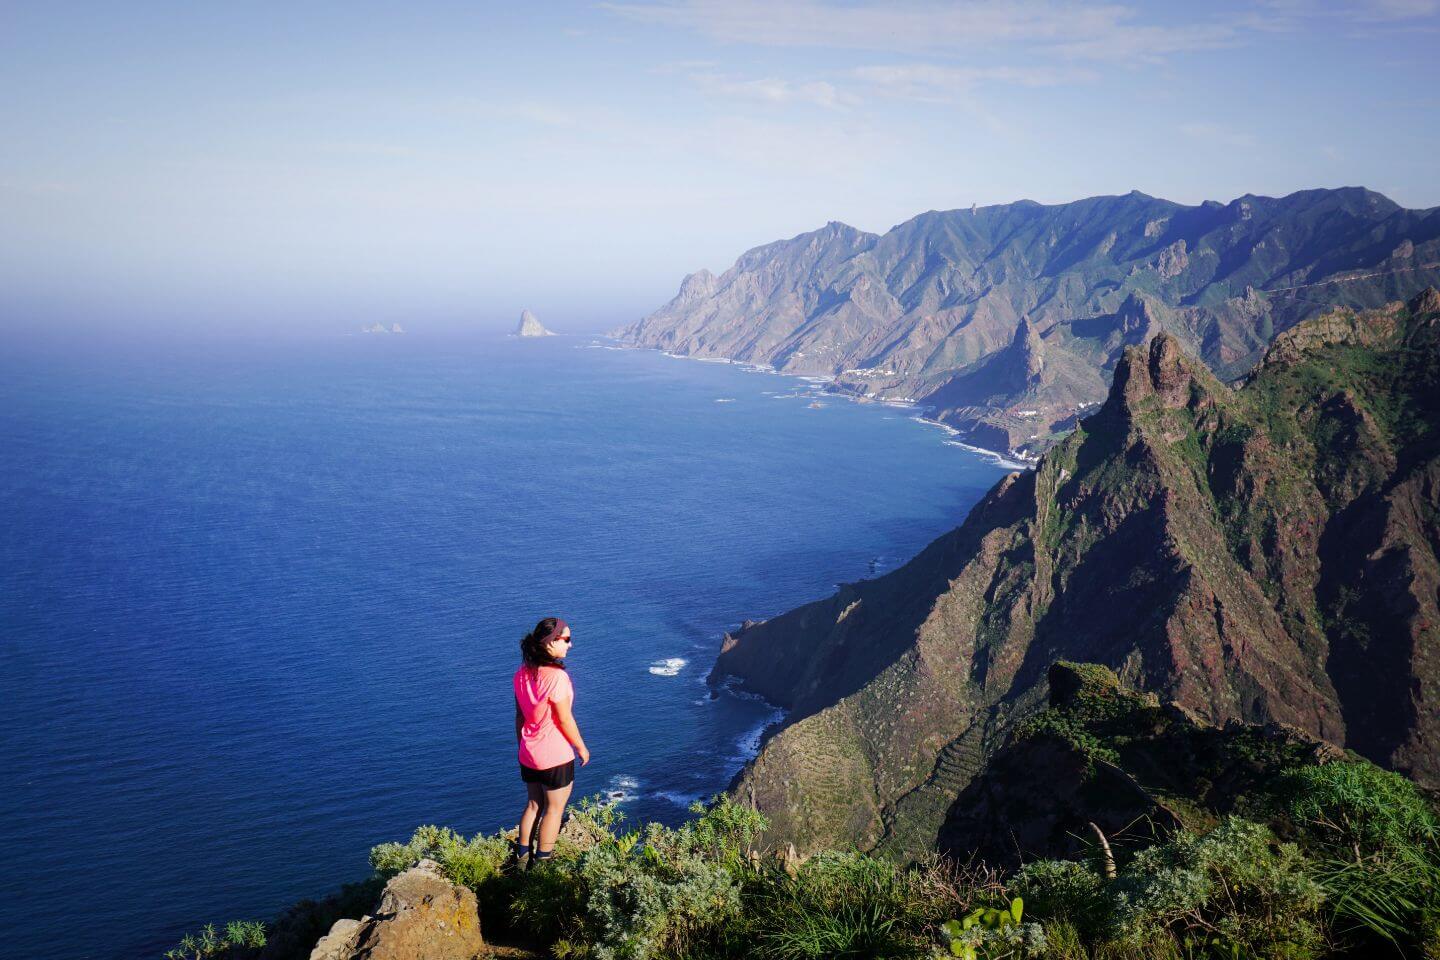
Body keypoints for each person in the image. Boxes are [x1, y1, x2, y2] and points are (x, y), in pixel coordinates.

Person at [511, 616, 590, 869]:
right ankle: (543, 866)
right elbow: (565, 720)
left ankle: (522, 858)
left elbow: (520, 716)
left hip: (529, 752)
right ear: (550, 642)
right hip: (555, 755)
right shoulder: (557, 678)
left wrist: (522, 745)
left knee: (534, 804)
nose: (570, 645)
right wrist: (581, 747)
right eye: (566, 639)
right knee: (553, 810)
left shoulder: (521, 674)